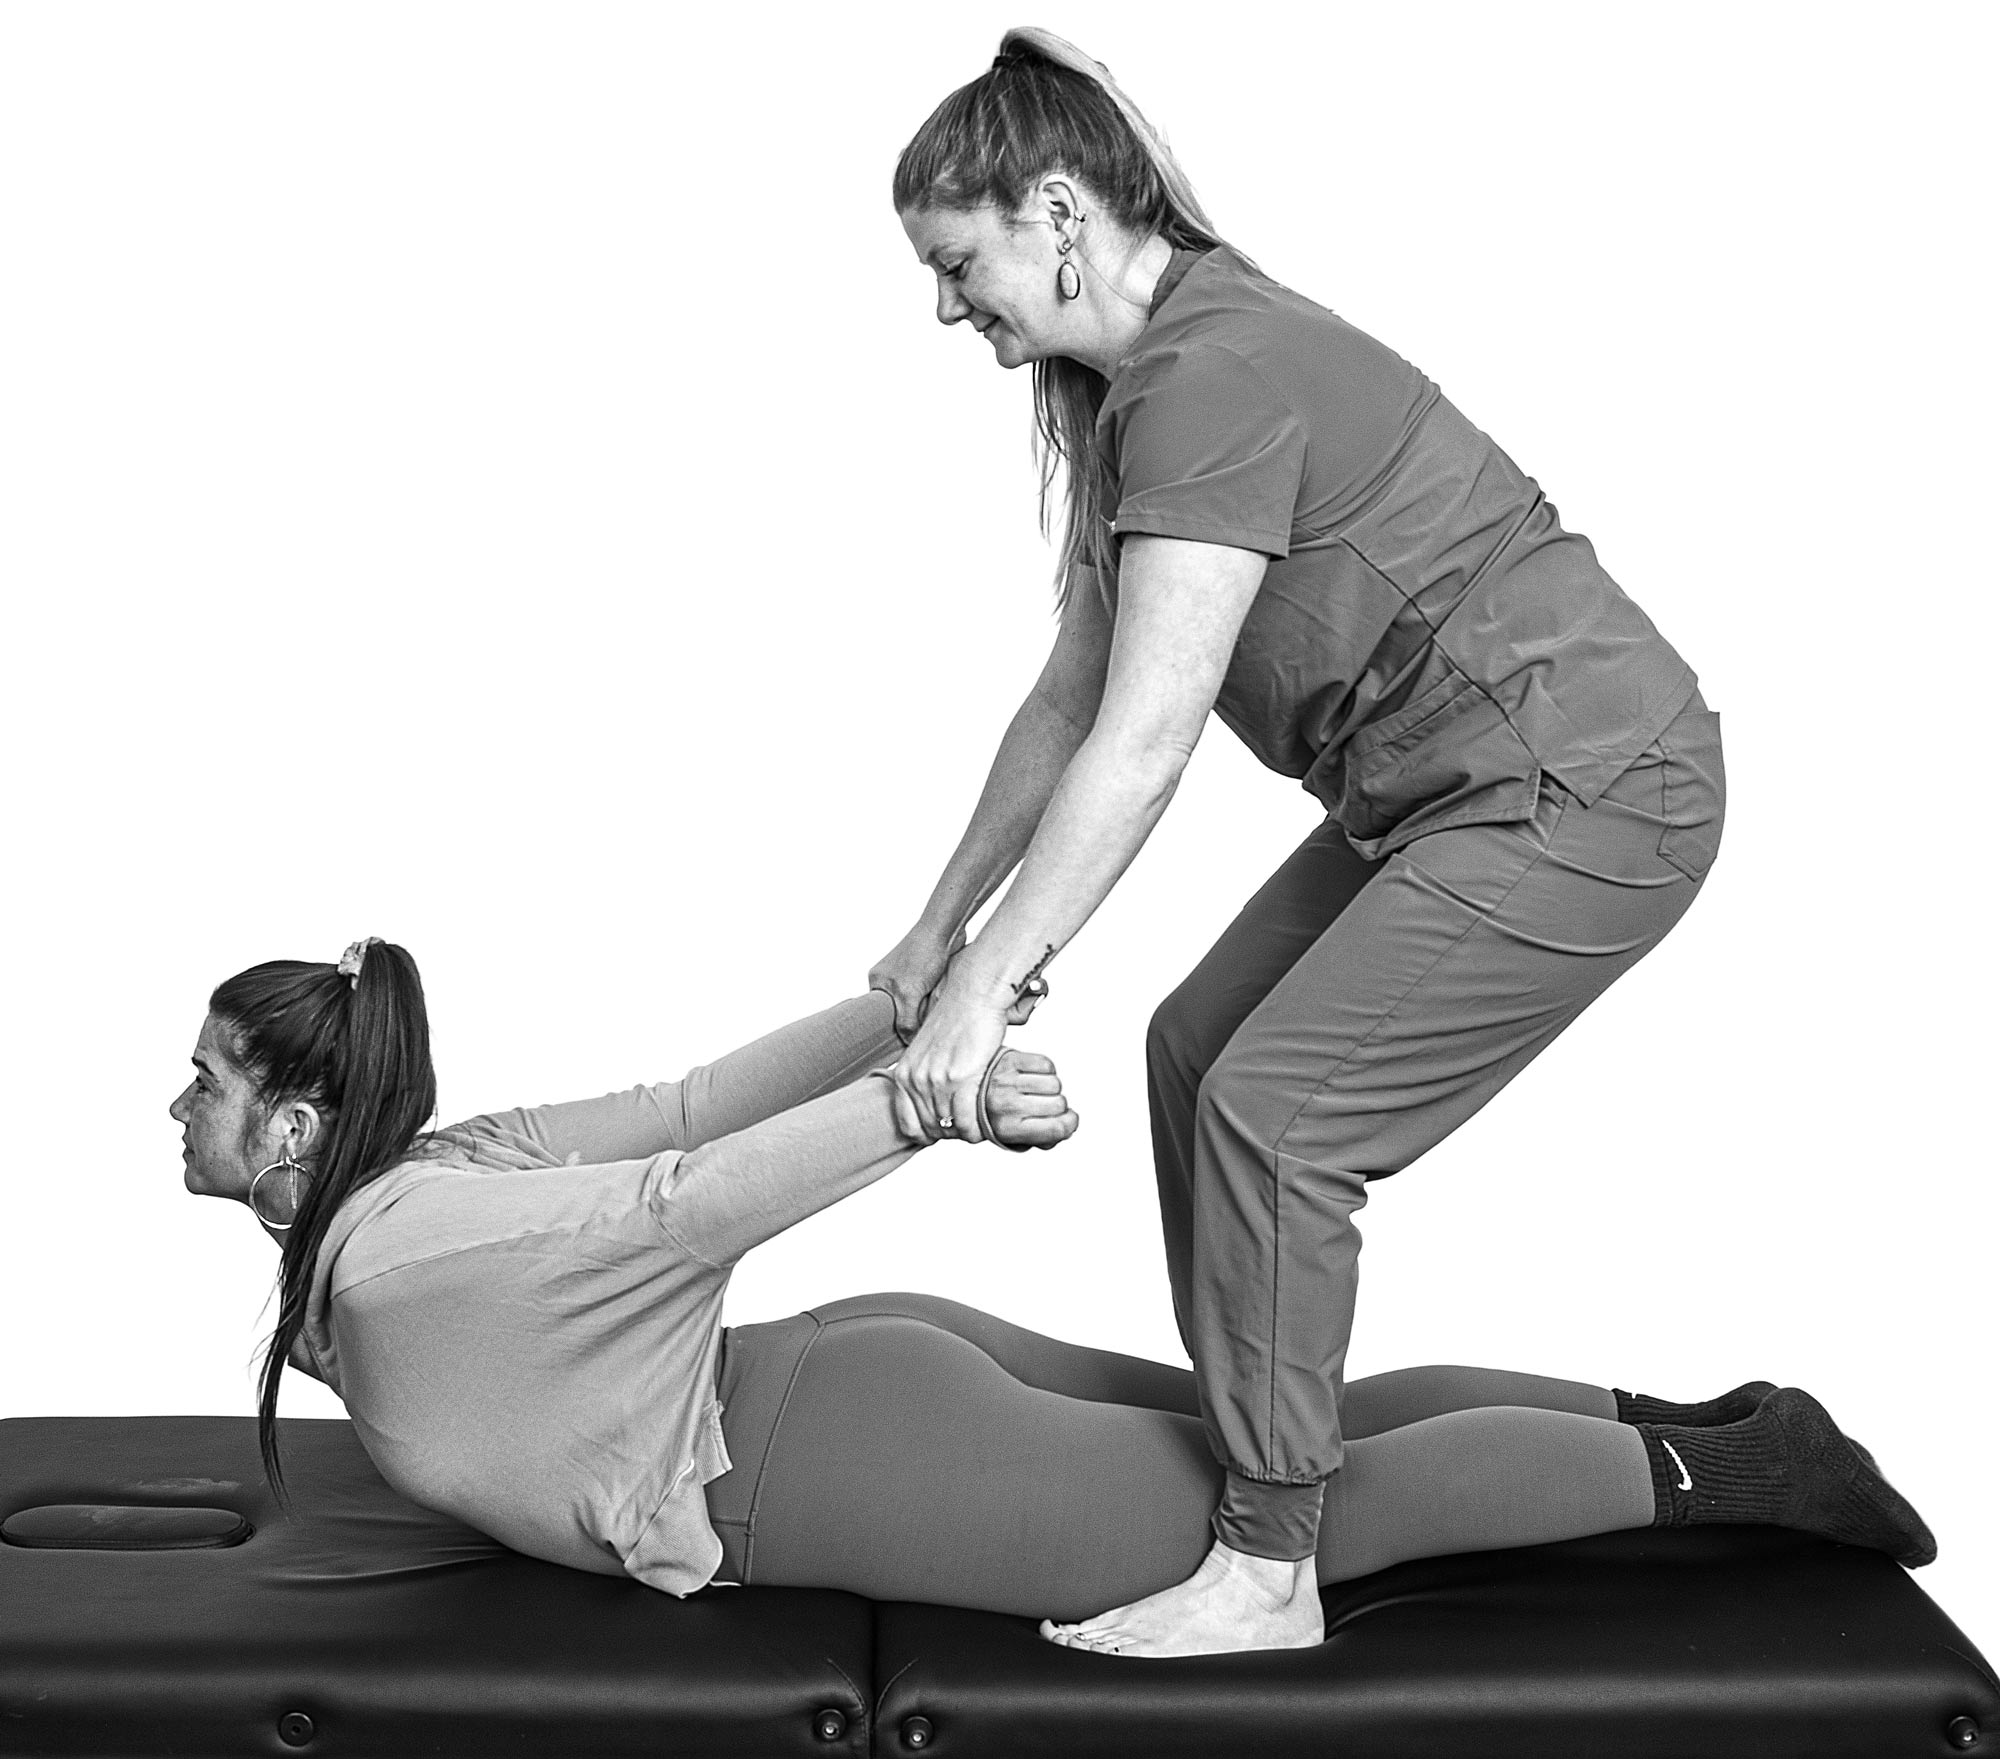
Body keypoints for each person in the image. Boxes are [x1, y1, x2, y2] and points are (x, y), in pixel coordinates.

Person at [874, 28, 1730, 1652]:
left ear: (1056, 212)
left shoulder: (1214, 374)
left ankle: (1270, 1570)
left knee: (1275, 1122)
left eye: (956, 263)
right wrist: (938, 929)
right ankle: (1256, 1463)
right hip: (1444, 794)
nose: (941, 308)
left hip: (1588, 781)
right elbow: (1071, 699)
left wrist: (991, 988)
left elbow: (1146, 742)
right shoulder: (1138, 388)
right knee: (1196, 1051)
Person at [172, 939, 1931, 1661]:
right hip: (853, 1384)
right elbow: (690, 1113)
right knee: (1279, 1437)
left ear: (296, 1127)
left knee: (1311, 1524)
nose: (178, 1108)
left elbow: (683, 1196)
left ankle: (1745, 1471)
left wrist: (919, 1084)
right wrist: (913, 1017)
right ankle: (1686, 1421)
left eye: (208, 1083)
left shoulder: (399, 1260)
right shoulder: (427, 1184)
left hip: (831, 1469)